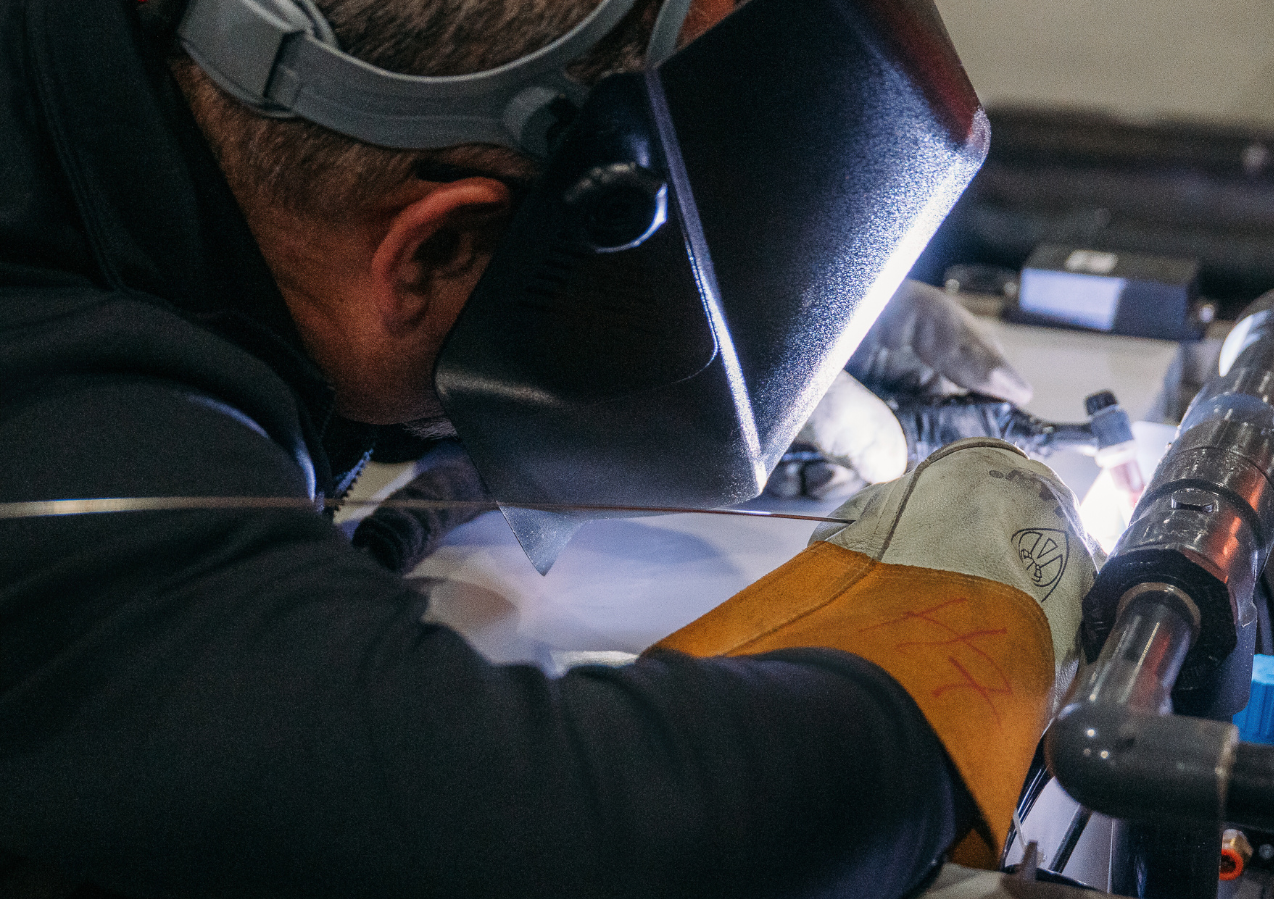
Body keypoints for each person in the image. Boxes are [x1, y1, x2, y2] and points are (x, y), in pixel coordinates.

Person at [0, 0, 1095, 893]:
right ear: (434, 247)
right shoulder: (53, 402)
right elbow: (561, 839)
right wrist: (942, 689)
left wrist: (742, 311)